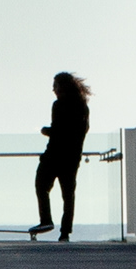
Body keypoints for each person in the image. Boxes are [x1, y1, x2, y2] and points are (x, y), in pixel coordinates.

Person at [30, 71, 93, 241]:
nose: (53, 90)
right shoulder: (83, 107)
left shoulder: (59, 105)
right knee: (68, 195)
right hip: (72, 157)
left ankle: (46, 220)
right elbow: (81, 131)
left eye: (55, 86)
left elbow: (58, 131)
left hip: (54, 155)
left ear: (63, 87)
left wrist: (45, 131)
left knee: (41, 185)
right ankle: (65, 232)